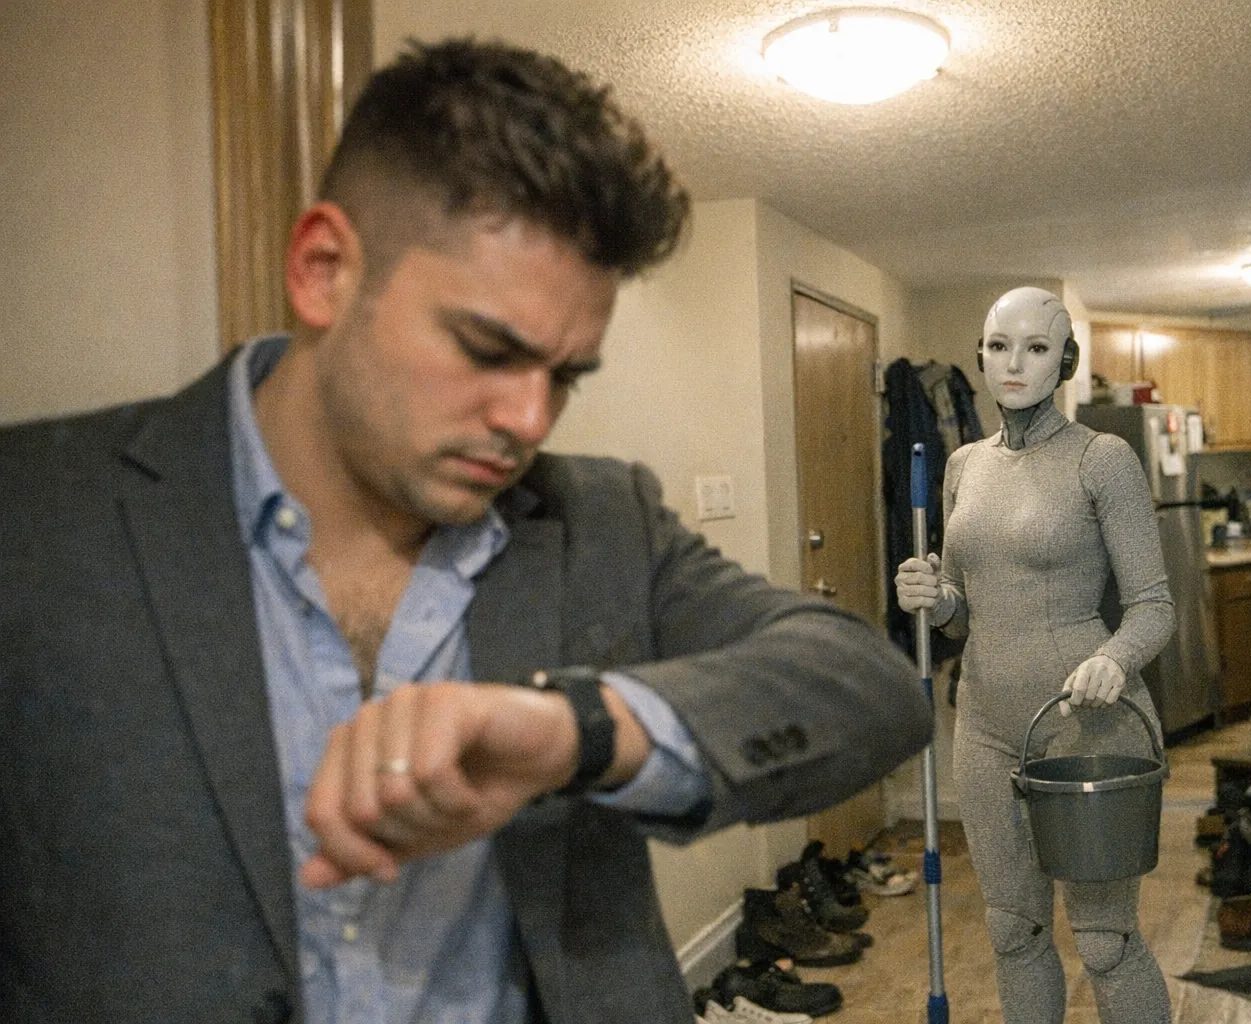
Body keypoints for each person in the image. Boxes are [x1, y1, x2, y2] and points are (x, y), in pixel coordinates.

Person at [0, 39, 932, 1023]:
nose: (531, 421)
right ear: (323, 271)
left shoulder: (600, 521)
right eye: (487, 349)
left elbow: (866, 685)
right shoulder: (37, 518)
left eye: (567, 375)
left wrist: (573, 729)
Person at [893, 287, 1175, 1024]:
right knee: (1013, 932)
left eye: (1037, 347)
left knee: (1105, 942)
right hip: (985, 726)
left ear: (1065, 360)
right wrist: (932, 595)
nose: (1014, 363)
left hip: (1086, 728)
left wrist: (1116, 659)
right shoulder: (961, 466)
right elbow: (961, 612)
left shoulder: (1100, 459)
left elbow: (1153, 606)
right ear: (981, 355)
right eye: (998, 345)